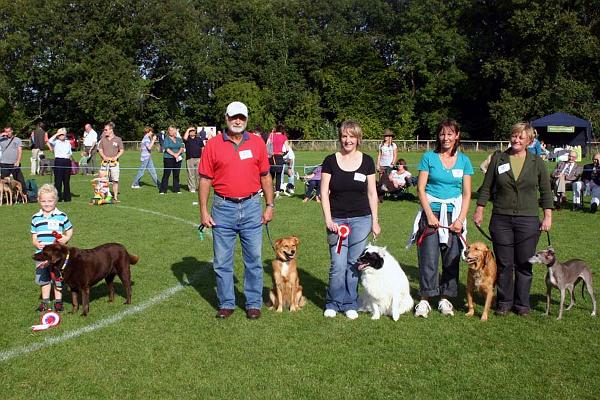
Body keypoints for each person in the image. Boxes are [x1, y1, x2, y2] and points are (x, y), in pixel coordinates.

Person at [199, 101, 274, 320]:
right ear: (226, 118)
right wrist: (203, 211)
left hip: (252, 207)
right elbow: (205, 179)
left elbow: (265, 176)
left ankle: (253, 303)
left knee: (254, 259)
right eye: (233, 117)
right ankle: (226, 303)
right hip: (222, 208)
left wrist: (269, 205)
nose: (237, 121)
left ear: (247, 119)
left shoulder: (257, 143)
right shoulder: (213, 145)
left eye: (241, 117)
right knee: (222, 261)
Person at [473, 122, 553, 317]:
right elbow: (486, 186)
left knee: (524, 263)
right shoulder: (499, 159)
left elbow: (545, 191)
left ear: (529, 141)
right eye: (514, 136)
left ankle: (522, 303)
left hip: (528, 219)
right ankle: (504, 302)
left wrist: (547, 216)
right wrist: (479, 210)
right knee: (505, 263)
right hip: (501, 219)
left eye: (521, 137)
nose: (516, 140)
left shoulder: (537, 162)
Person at [410, 119, 473, 318]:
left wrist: (460, 220)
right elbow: (420, 188)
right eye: (442, 134)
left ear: (457, 136)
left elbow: (467, 194)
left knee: (451, 258)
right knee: (428, 258)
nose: (446, 138)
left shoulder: (464, 161)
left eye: (450, 134)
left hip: (453, 215)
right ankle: (425, 299)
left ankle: (445, 298)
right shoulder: (428, 157)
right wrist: (429, 215)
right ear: (438, 136)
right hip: (431, 212)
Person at [320, 120, 380, 319]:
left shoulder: (368, 161)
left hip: (361, 220)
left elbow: (372, 193)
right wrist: (328, 219)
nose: (347, 140)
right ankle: (333, 302)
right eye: (344, 136)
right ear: (340, 138)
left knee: (354, 264)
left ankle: (349, 303)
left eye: (352, 136)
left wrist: (375, 221)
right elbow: (324, 192)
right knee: (337, 265)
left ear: (358, 139)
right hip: (336, 221)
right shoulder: (330, 161)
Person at [31, 184, 73, 312]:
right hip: (42, 255)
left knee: (58, 279)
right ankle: (45, 302)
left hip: (58, 257)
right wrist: (36, 244)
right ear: (39, 200)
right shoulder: (36, 217)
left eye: (50, 201)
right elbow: (34, 235)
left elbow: (70, 229)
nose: (47, 204)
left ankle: (58, 302)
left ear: (55, 200)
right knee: (44, 279)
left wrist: (66, 238)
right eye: (43, 201)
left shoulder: (61, 215)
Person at [97, 122, 124, 202]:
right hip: (104, 163)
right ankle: (102, 196)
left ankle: (115, 197)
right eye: (104, 130)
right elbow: (100, 149)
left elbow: (121, 150)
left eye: (106, 130)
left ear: (111, 130)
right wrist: (104, 157)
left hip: (114, 164)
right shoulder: (102, 139)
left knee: (115, 180)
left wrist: (116, 157)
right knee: (103, 180)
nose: (105, 131)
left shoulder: (118, 139)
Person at [47, 128, 73, 202]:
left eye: (63, 134)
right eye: (61, 135)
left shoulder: (68, 142)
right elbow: (49, 140)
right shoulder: (56, 142)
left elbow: (70, 152)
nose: (62, 136)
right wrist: (57, 133)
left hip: (67, 161)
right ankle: (58, 197)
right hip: (59, 161)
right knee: (58, 180)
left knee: (66, 181)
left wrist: (69, 157)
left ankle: (67, 197)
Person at [159, 126, 185, 194]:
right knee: (166, 174)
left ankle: (176, 189)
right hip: (168, 158)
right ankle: (163, 190)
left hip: (178, 159)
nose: (170, 132)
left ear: (175, 131)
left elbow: (182, 147)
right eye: (169, 130)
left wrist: (178, 154)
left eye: (172, 130)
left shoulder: (179, 139)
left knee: (176, 174)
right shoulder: (166, 139)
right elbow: (167, 148)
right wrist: (174, 154)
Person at [267, 124, 289, 197]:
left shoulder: (271, 135)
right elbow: (287, 149)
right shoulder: (284, 137)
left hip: (271, 157)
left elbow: (267, 145)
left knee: (271, 175)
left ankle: (268, 191)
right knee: (278, 176)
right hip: (279, 157)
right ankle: (277, 193)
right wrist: (282, 154)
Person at [183, 126, 206, 193]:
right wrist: (188, 129)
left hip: (199, 158)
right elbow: (184, 138)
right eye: (191, 131)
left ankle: (199, 188)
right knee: (191, 174)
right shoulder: (187, 139)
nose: (192, 132)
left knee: (199, 174)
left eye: (193, 131)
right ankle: (192, 188)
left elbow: (202, 148)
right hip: (190, 158)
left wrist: (203, 157)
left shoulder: (199, 139)